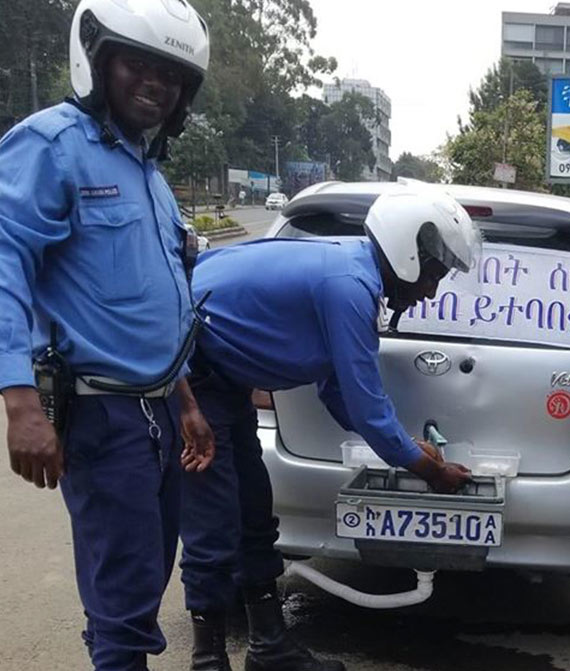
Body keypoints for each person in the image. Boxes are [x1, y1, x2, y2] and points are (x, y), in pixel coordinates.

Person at [178, 184, 480, 671]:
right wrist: (428, 469)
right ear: (406, 251)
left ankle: (269, 647)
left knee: (255, 515)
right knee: (213, 526)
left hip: (225, 386)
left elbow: (337, 390)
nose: (430, 290)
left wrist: (406, 445)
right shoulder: (349, 285)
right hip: (192, 386)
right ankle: (207, 659)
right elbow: (364, 405)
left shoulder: (354, 272)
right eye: (433, 275)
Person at [0, 0, 214, 669]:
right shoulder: (53, 145)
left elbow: (146, 304)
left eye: (171, 76)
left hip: (155, 408)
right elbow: (3, 258)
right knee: (124, 602)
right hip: (100, 413)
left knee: (143, 583)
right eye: (136, 65)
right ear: (96, 62)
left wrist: (184, 401)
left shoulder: (145, 171)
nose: (155, 84)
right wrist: (20, 400)